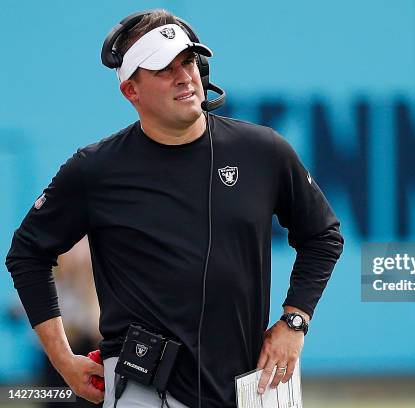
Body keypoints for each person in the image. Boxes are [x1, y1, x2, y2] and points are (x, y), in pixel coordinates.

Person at [5, 9, 343, 408]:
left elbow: (322, 235)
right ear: (131, 91)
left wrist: (295, 321)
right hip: (144, 390)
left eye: (188, 62)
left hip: (252, 384)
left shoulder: (263, 151)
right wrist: (63, 360)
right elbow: (27, 253)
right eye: (164, 69)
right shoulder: (95, 169)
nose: (185, 77)